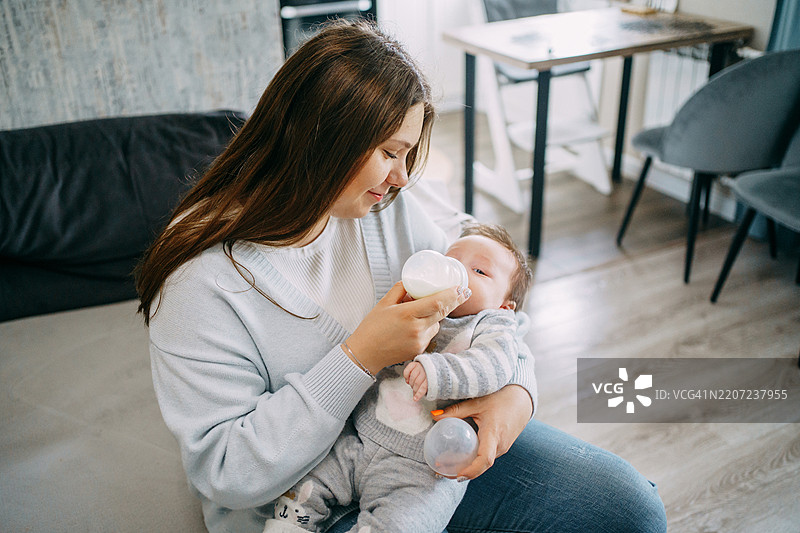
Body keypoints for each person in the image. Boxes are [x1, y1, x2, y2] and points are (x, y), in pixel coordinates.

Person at [135, 19, 667, 533]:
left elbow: (493, 296)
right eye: (390, 152)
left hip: (425, 453)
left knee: (628, 509)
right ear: (323, 140)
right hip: (298, 504)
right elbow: (227, 472)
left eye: (407, 154)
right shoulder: (201, 281)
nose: (403, 176)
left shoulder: (385, 203)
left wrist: (517, 393)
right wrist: (359, 358)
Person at [265, 223, 533, 532]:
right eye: (452, 259)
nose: (457, 270)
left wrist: (438, 371)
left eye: (480, 272)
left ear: (505, 306)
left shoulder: (492, 324)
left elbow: (494, 365)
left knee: (403, 523)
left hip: (420, 468)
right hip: (358, 439)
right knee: (306, 488)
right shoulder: (416, 302)